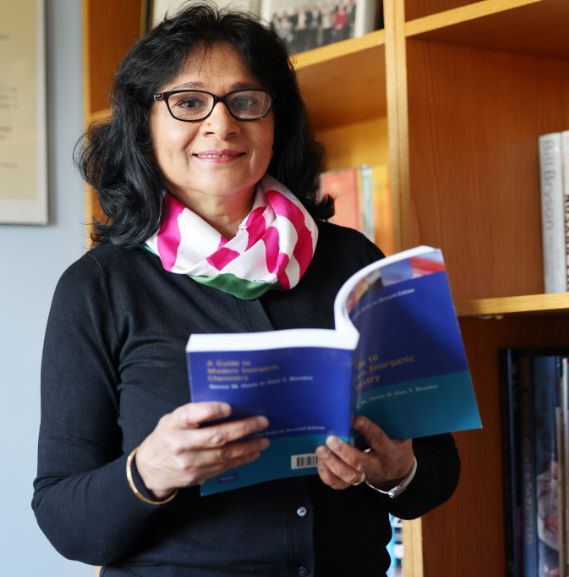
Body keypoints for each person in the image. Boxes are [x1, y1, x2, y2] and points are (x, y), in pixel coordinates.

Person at [32, 4, 460, 576]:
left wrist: (395, 470)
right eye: (187, 102)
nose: (221, 124)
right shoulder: (98, 286)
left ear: (275, 118)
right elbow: (64, 521)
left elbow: (439, 472)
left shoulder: (356, 260)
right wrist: (150, 470)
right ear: (144, 122)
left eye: (245, 100)